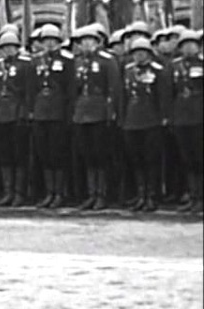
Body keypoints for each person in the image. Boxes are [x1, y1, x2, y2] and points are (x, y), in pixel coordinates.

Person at [70, 25, 123, 212]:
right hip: (82, 113)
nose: (86, 44)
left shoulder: (107, 61)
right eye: (83, 42)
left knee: (101, 157)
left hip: (100, 113)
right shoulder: (77, 62)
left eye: (90, 41)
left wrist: (111, 112)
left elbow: (114, 89)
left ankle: (103, 194)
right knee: (88, 157)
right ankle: (92, 193)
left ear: (97, 42)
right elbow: (73, 90)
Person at [119, 38, 171, 213]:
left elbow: (163, 97)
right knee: (137, 160)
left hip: (151, 121)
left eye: (142, 52)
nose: (139, 56)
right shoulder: (127, 71)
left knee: (151, 160)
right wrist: (123, 118)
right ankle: (141, 194)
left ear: (149, 54)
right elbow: (123, 96)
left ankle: (152, 195)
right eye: (136, 53)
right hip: (132, 121)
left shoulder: (158, 71)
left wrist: (163, 117)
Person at [0, 31, 36, 207]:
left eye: (11, 47)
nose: (8, 50)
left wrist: (27, 112)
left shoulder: (26, 65)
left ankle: (19, 193)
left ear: (17, 48)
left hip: (18, 114)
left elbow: (29, 91)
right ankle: (8, 191)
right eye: (5, 47)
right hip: (0, 114)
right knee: (5, 156)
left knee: (19, 156)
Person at [31, 24, 75, 208]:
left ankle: (59, 192)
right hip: (41, 113)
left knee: (58, 155)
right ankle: (49, 192)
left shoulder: (67, 60)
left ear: (59, 42)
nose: (49, 44)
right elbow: (32, 88)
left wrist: (68, 114)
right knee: (45, 155)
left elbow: (71, 89)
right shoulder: (36, 61)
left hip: (58, 113)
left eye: (53, 41)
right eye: (46, 41)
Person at [169, 30, 203, 213]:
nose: (189, 48)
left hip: (199, 116)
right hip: (182, 117)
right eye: (185, 45)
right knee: (187, 159)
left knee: (200, 158)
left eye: (192, 44)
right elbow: (170, 93)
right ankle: (193, 195)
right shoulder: (175, 66)